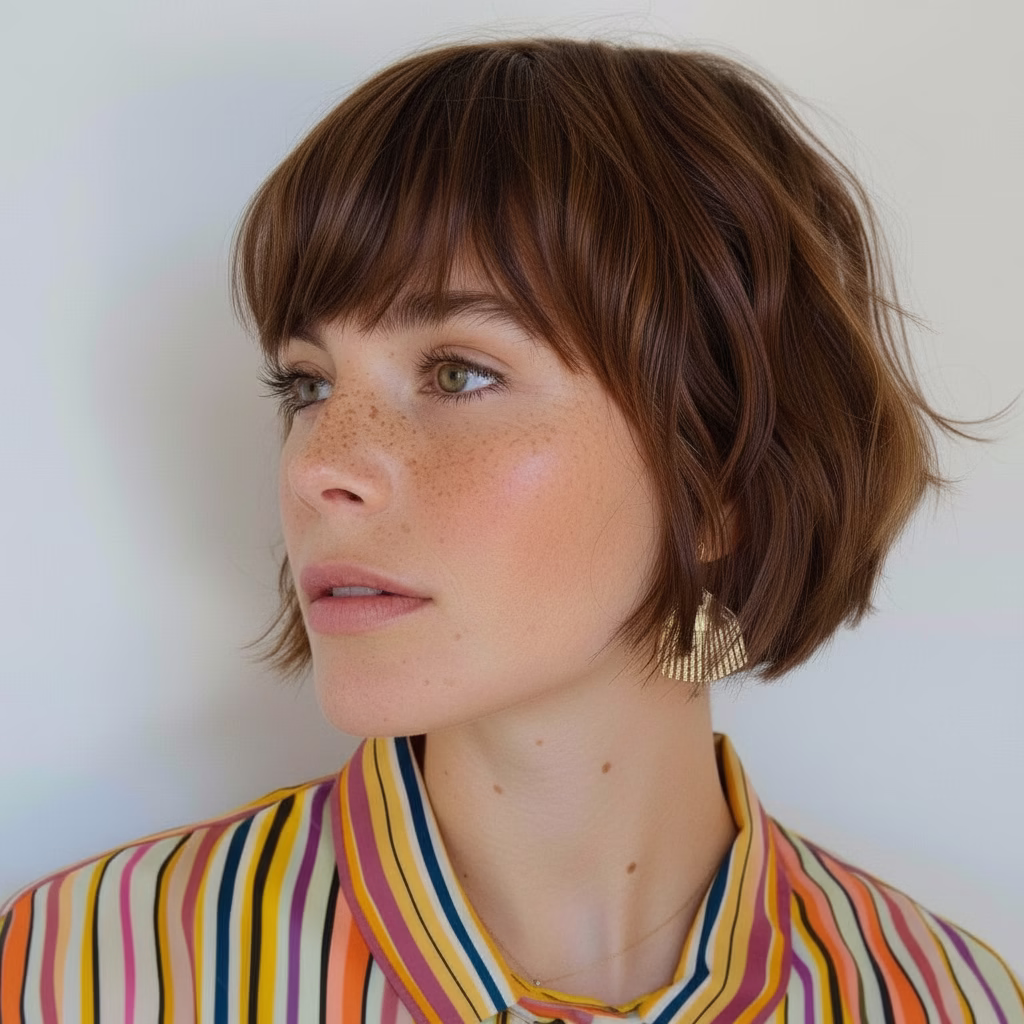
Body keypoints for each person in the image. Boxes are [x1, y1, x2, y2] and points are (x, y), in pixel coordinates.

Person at [1, 35, 1021, 1024]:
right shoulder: (72, 974)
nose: (318, 468)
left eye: (458, 373)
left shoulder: (948, 1000)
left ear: (720, 484)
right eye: (307, 384)